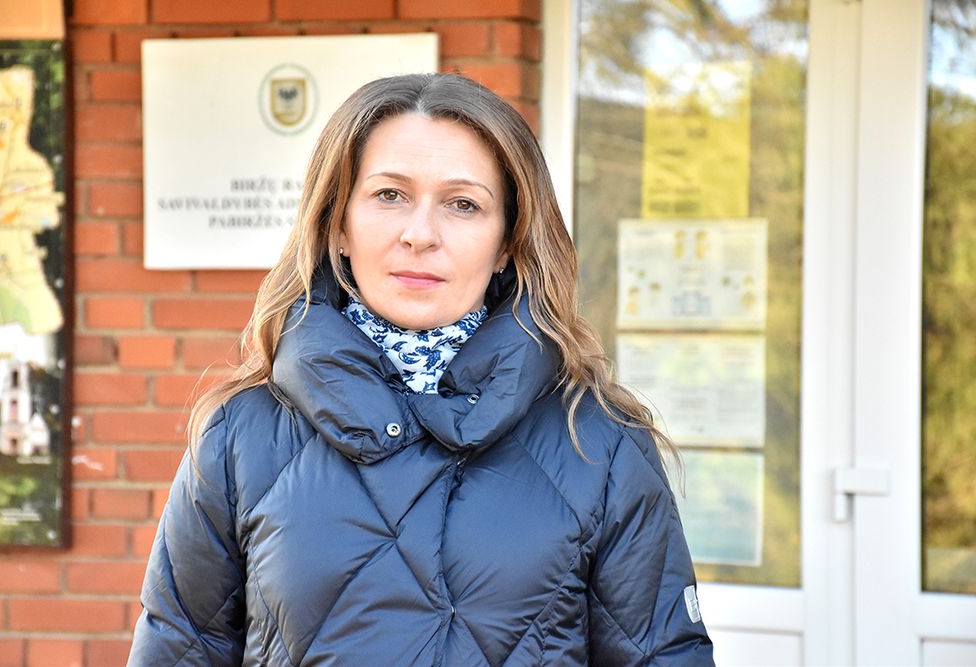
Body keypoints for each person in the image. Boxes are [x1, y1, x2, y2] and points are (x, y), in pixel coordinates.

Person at [127, 72, 714, 666]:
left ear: (507, 243)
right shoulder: (240, 436)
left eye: (463, 204)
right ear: (338, 225)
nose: (420, 234)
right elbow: (179, 648)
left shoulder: (600, 442)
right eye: (389, 195)